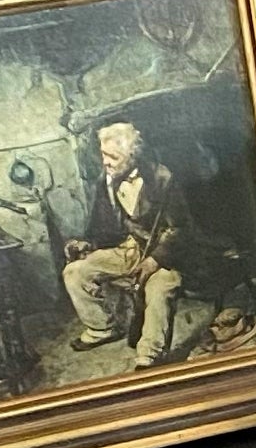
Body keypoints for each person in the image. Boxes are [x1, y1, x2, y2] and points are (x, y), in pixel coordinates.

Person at [61, 118, 201, 364]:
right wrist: (87, 244)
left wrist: (155, 260)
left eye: (112, 157)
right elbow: (103, 227)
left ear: (132, 155)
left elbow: (181, 229)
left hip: (169, 255)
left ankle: (150, 354)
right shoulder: (105, 180)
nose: (105, 162)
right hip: (132, 247)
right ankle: (102, 328)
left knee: (159, 288)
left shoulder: (161, 178)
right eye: (103, 155)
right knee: (74, 272)